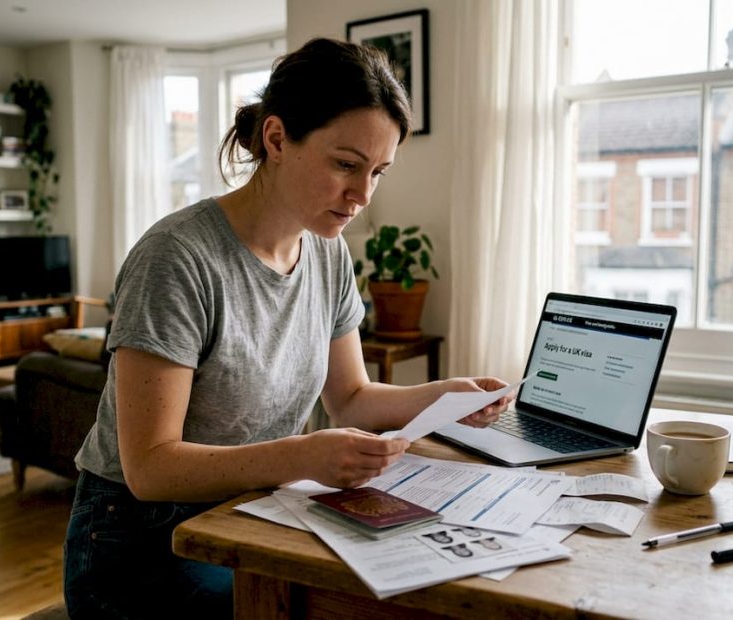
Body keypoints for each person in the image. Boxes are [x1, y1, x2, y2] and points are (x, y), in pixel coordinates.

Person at [63, 37, 514, 618]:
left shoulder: (325, 252)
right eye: (346, 165)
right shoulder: (177, 258)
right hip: (139, 539)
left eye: (377, 171)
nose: (362, 195)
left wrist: (442, 395)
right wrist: (304, 457)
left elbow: (351, 398)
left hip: (253, 510)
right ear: (276, 139)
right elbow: (150, 468)